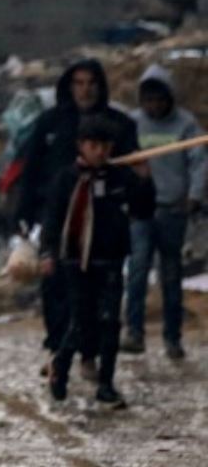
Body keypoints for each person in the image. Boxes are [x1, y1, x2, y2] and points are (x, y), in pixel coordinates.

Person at [14, 59, 138, 367]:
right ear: (69, 86)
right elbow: (31, 170)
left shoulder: (119, 126)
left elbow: (132, 176)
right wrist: (23, 212)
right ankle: (59, 348)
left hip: (103, 220)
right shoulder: (50, 123)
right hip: (56, 217)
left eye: (91, 83)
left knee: (98, 292)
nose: (85, 90)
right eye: (79, 83)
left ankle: (89, 353)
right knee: (55, 284)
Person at [40, 114, 154, 408]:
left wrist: (144, 180)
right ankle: (60, 366)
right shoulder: (67, 179)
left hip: (111, 258)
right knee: (81, 322)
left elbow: (143, 209)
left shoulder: (119, 177)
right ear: (81, 146)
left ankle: (106, 385)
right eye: (93, 145)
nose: (99, 151)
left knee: (110, 323)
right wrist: (48, 252)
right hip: (76, 260)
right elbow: (52, 219)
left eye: (105, 145)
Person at [123, 65, 204, 359]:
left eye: (160, 99)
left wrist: (194, 196)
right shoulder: (132, 123)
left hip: (172, 210)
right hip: (141, 211)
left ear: (169, 98)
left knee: (170, 275)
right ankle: (134, 332)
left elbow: (198, 162)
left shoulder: (186, 125)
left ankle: (173, 338)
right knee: (138, 270)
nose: (154, 106)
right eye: (149, 100)